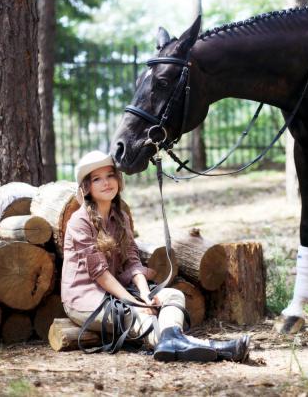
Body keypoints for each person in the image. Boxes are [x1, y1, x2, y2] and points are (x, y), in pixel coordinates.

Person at [61, 150, 250, 362]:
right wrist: (134, 302)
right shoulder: (80, 222)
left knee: (173, 295)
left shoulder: (121, 216)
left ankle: (172, 342)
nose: (106, 183)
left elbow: (132, 261)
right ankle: (218, 349)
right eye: (97, 179)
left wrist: (144, 294)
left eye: (110, 175)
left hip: (115, 292)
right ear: (86, 187)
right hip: (86, 298)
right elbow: (100, 274)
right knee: (138, 315)